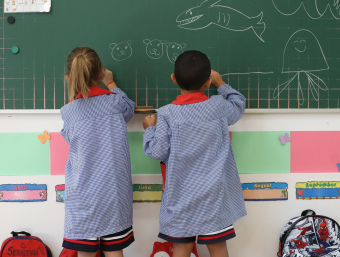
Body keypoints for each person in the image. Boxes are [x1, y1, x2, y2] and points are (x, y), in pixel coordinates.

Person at [142, 50, 247, 257]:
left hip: (180, 196)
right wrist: (221, 83)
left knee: (181, 247)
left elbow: (158, 151)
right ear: (207, 82)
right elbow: (238, 104)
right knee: (217, 247)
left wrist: (149, 129)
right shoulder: (218, 106)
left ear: (173, 79)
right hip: (214, 196)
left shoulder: (165, 114)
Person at [60, 47, 135, 257]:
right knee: (114, 250)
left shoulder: (68, 112)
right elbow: (129, 108)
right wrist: (111, 84)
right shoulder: (115, 102)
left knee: (85, 252)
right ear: (101, 73)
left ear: (69, 77)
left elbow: (70, 139)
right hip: (114, 192)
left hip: (82, 195)